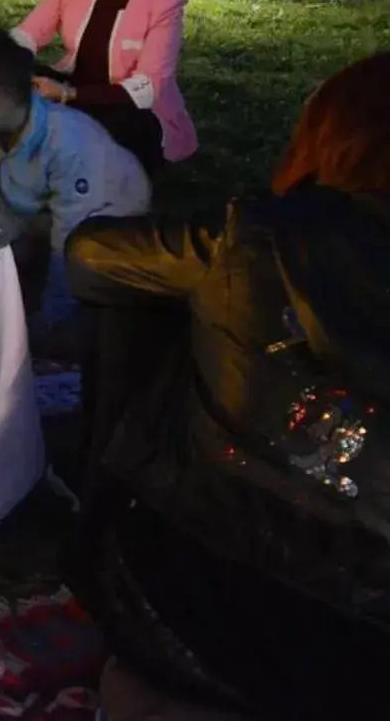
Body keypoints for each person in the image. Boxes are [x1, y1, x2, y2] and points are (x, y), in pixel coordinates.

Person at [62, 53, 390, 717]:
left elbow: (90, 254)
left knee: (149, 300)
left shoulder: (256, 236)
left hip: (206, 598)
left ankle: (109, 496)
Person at [0, 29, 151, 334]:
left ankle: (60, 325)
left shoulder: (70, 143)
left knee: (76, 276)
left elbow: (71, 242)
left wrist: (50, 321)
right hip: (39, 213)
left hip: (106, 225)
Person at [13, 0, 196, 175]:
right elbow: (29, 32)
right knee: (15, 81)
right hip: (73, 86)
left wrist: (68, 94)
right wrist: (1, 63)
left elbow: (147, 88)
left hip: (128, 107)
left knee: (124, 126)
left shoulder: (164, 2)